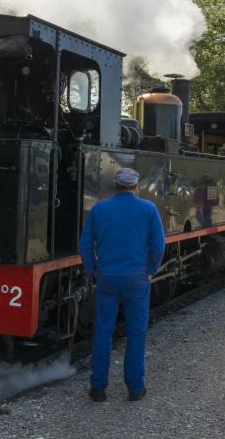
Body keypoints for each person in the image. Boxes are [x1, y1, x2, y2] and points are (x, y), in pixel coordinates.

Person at [78, 167, 166, 403]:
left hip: (107, 277)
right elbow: (158, 246)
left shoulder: (99, 208)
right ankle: (135, 389)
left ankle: (98, 388)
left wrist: (92, 271)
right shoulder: (148, 209)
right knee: (136, 332)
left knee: (103, 332)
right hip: (137, 279)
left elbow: (85, 246)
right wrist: (150, 271)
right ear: (136, 187)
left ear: (115, 186)